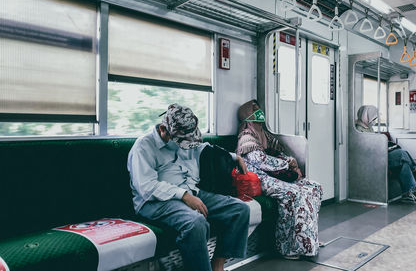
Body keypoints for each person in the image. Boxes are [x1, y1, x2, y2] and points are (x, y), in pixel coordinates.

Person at [128, 103, 250, 271]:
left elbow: (204, 149)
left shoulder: (185, 137)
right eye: (181, 143)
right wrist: (184, 195)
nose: (185, 146)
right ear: (163, 130)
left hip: (190, 191)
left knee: (239, 210)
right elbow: (146, 187)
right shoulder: (143, 147)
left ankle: (218, 265)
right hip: (154, 202)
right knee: (196, 222)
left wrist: (235, 157)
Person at [236, 100, 323, 258]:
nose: (259, 112)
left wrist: (289, 160)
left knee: (314, 188)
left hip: (275, 175)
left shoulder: (264, 135)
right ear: (247, 117)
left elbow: (277, 152)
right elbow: (262, 161)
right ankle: (287, 246)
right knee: (294, 194)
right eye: (254, 110)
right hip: (260, 178)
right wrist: (288, 164)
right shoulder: (246, 138)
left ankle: (309, 238)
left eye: (259, 108)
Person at [355, 105, 416, 205]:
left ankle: (407, 195)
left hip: (381, 155)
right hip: (374, 159)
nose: (374, 121)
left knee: (404, 164)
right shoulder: (359, 130)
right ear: (366, 117)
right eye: (373, 118)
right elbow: (366, 148)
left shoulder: (368, 128)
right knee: (402, 154)